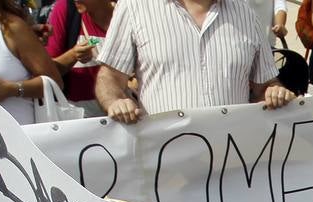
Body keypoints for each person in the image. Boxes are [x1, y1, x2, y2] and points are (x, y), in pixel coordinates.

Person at [93, 0, 293, 124]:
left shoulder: (246, 14)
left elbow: (265, 85)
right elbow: (110, 76)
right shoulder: (135, 7)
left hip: (231, 162)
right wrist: (115, 101)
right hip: (166, 163)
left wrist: (274, 91)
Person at [44, 0, 111, 103]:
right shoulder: (65, 7)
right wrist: (73, 55)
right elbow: (47, 72)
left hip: (125, 110)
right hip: (79, 113)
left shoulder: (128, 11)